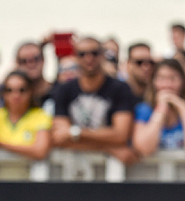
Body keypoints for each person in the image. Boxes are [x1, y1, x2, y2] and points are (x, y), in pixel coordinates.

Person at [51, 36, 138, 165]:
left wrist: (75, 133)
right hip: (73, 169)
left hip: (111, 171)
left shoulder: (120, 88)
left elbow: (121, 135)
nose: (89, 58)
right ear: (75, 57)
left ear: (102, 55)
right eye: (82, 54)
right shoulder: (64, 90)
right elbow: (59, 138)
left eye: (94, 53)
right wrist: (108, 147)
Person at [132, 58, 185, 157]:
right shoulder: (144, 110)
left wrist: (183, 108)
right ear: (153, 81)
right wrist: (160, 110)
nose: (167, 85)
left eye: (173, 78)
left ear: (183, 82)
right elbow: (144, 148)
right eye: (161, 78)